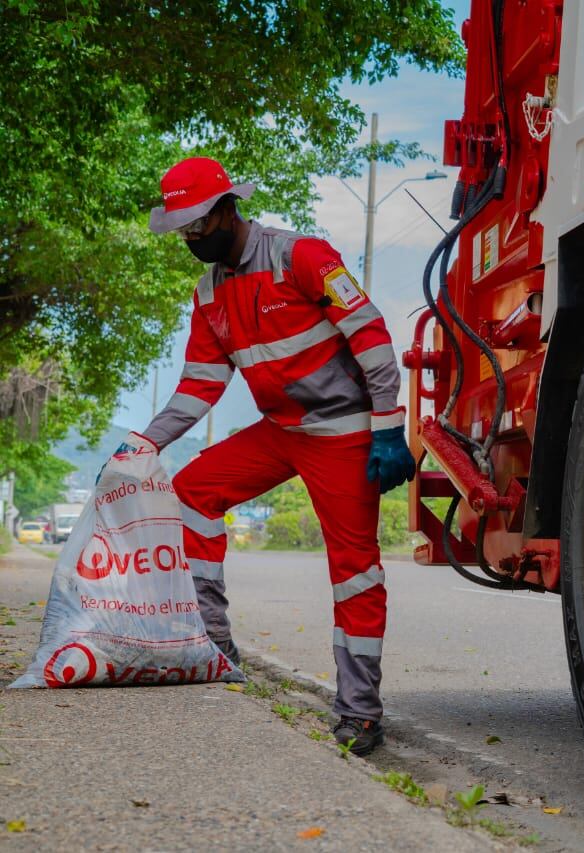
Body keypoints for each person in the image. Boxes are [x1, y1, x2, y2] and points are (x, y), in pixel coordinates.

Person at [122, 156, 415, 755]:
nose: (192, 239)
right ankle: (214, 646)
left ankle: (359, 712)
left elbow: (371, 334)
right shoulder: (209, 293)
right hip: (281, 430)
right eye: (183, 231)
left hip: (343, 431)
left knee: (354, 571)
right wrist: (144, 442)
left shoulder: (302, 257)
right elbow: (199, 385)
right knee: (194, 493)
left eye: (199, 225)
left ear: (229, 210)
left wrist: (388, 427)